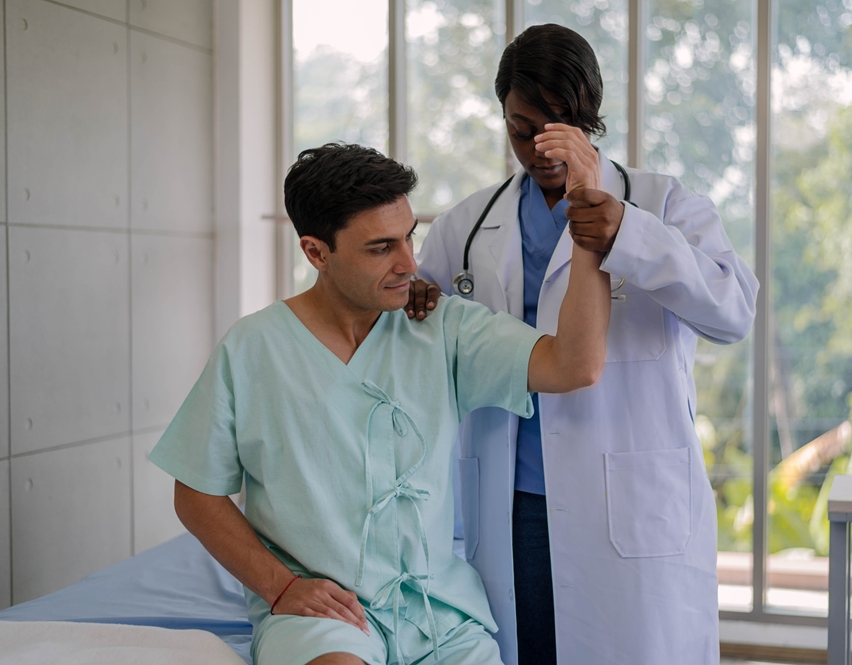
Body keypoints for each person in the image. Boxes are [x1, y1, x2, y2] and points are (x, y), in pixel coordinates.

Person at [149, 143, 611, 665]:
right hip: (322, 619)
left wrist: (590, 232)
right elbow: (195, 493)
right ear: (316, 252)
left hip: (440, 616)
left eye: (409, 236)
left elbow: (576, 365)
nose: (409, 263)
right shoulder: (253, 348)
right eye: (381, 248)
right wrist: (280, 588)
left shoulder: (442, 328)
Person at [410, 24, 759, 665]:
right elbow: (417, 333)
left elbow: (734, 314)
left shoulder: (664, 205)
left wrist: (631, 233)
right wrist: (417, 301)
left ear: (588, 117)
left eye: (557, 127)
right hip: (510, 503)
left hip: (631, 499)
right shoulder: (463, 228)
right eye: (521, 129)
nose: (539, 149)